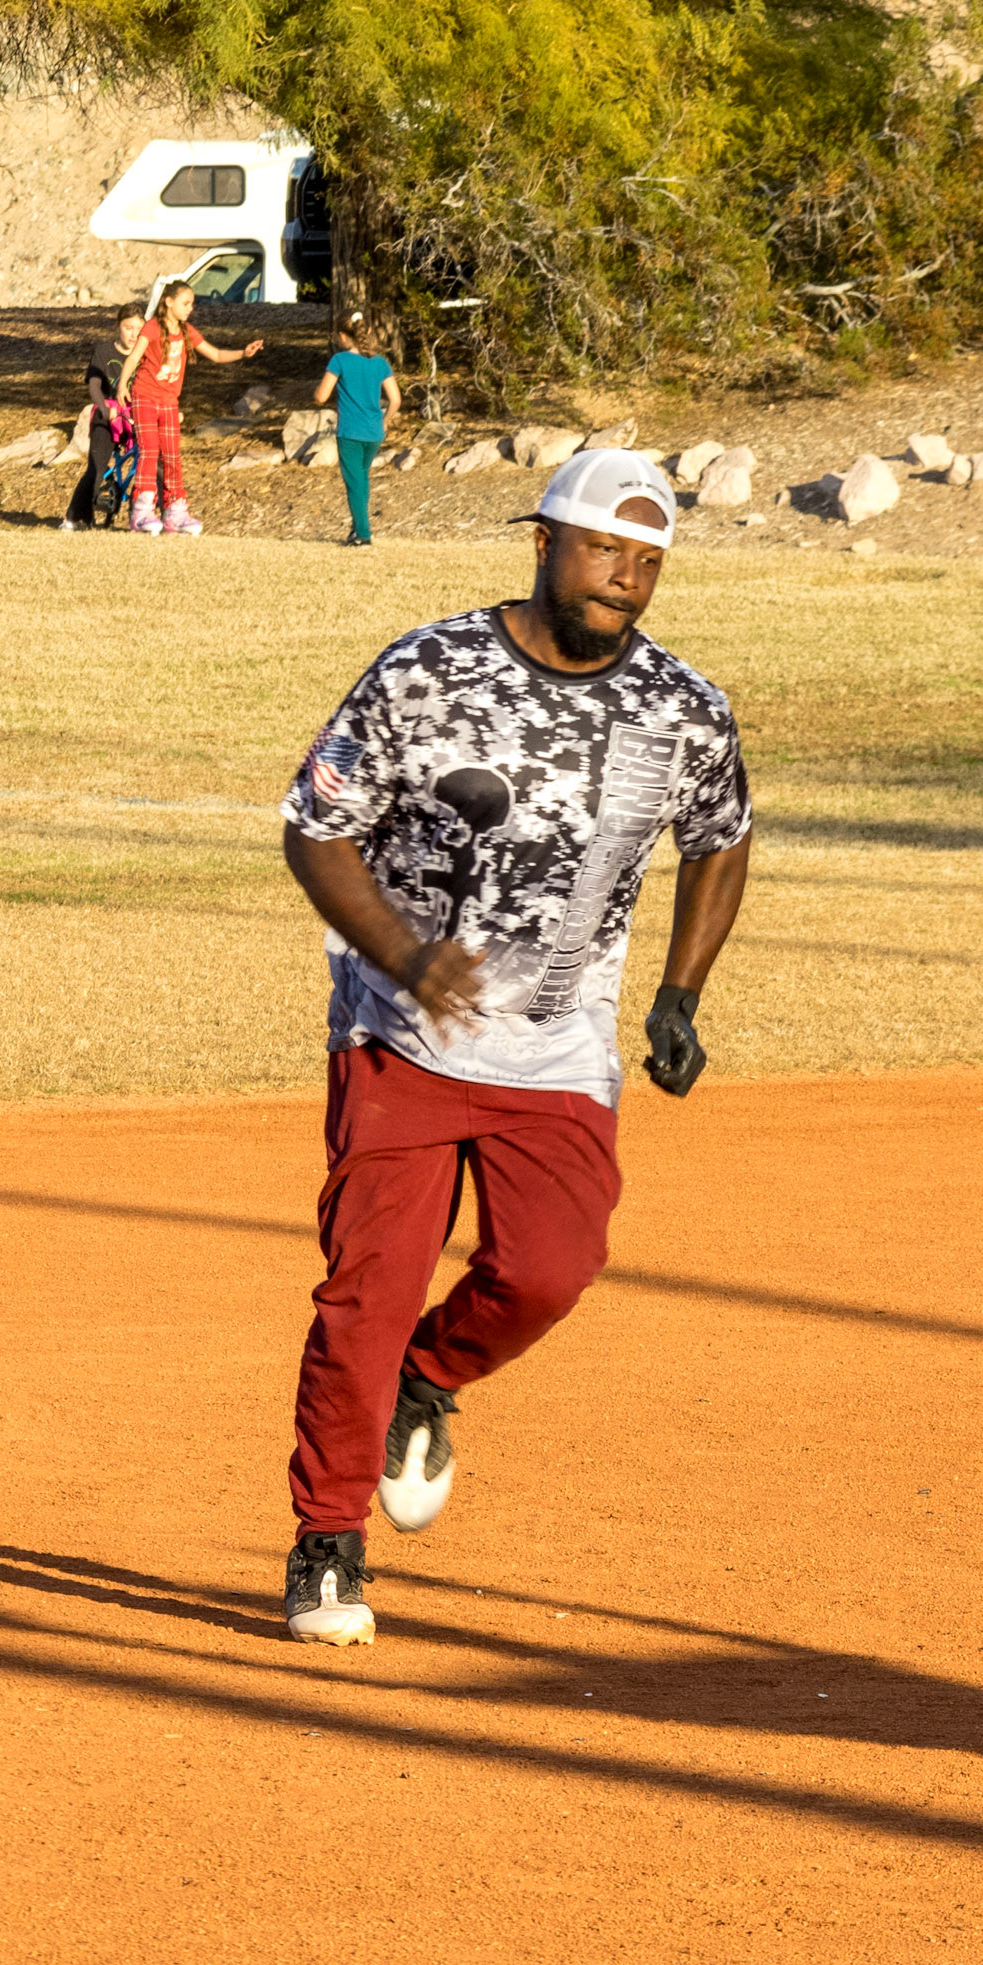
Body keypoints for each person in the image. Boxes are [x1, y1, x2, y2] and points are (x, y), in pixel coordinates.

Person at [278, 449, 752, 1646]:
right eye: (604, 550)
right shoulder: (427, 670)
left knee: (550, 1269)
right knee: (368, 1291)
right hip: (400, 1034)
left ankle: (429, 1379)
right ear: (544, 543)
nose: (625, 578)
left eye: (647, 561)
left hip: (558, 1045)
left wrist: (680, 992)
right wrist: (402, 954)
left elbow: (721, 833)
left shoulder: (683, 707)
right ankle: (328, 1540)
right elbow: (316, 828)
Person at [115, 280, 264, 536]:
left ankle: (175, 512)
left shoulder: (186, 331)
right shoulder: (152, 327)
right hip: (145, 396)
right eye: (185, 303)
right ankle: (141, 511)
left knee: (172, 455)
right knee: (150, 450)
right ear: (169, 302)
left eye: (192, 304)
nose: (190, 308)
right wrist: (121, 386)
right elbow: (134, 356)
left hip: (169, 400)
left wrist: (243, 353)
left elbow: (215, 354)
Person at [312, 311, 401, 546]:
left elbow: (321, 396)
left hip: (350, 432)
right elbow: (395, 400)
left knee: (354, 482)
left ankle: (363, 534)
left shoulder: (339, 361)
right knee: (361, 478)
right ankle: (356, 528)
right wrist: (385, 421)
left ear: (342, 336)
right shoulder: (380, 362)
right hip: (374, 433)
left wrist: (316, 392)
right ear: (368, 331)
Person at [60, 303, 145, 532]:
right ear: (118, 327)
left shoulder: (146, 355)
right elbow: (94, 386)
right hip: (108, 416)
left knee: (155, 463)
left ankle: (159, 515)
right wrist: (104, 407)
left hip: (137, 416)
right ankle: (77, 517)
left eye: (139, 329)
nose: (133, 334)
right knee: (97, 466)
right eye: (128, 328)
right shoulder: (104, 351)